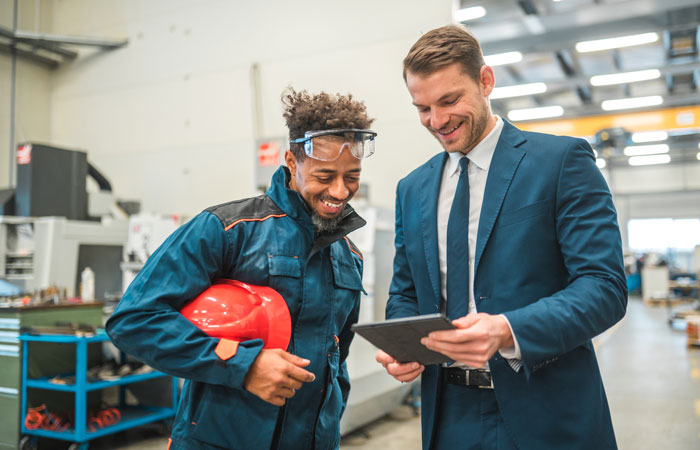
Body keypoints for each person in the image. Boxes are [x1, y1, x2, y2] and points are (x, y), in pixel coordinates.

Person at [375, 25, 627, 450]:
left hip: (546, 410)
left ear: (485, 81)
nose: (437, 122)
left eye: (450, 100)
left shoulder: (560, 162)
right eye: (423, 108)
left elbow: (604, 288)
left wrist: (509, 329)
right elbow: (405, 292)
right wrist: (407, 344)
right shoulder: (412, 189)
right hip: (446, 413)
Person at [107, 88, 376, 450]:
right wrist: (242, 365)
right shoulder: (227, 229)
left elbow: (336, 360)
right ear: (292, 163)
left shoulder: (349, 256)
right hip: (220, 439)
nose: (340, 191)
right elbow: (134, 320)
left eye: (352, 176)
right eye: (325, 176)